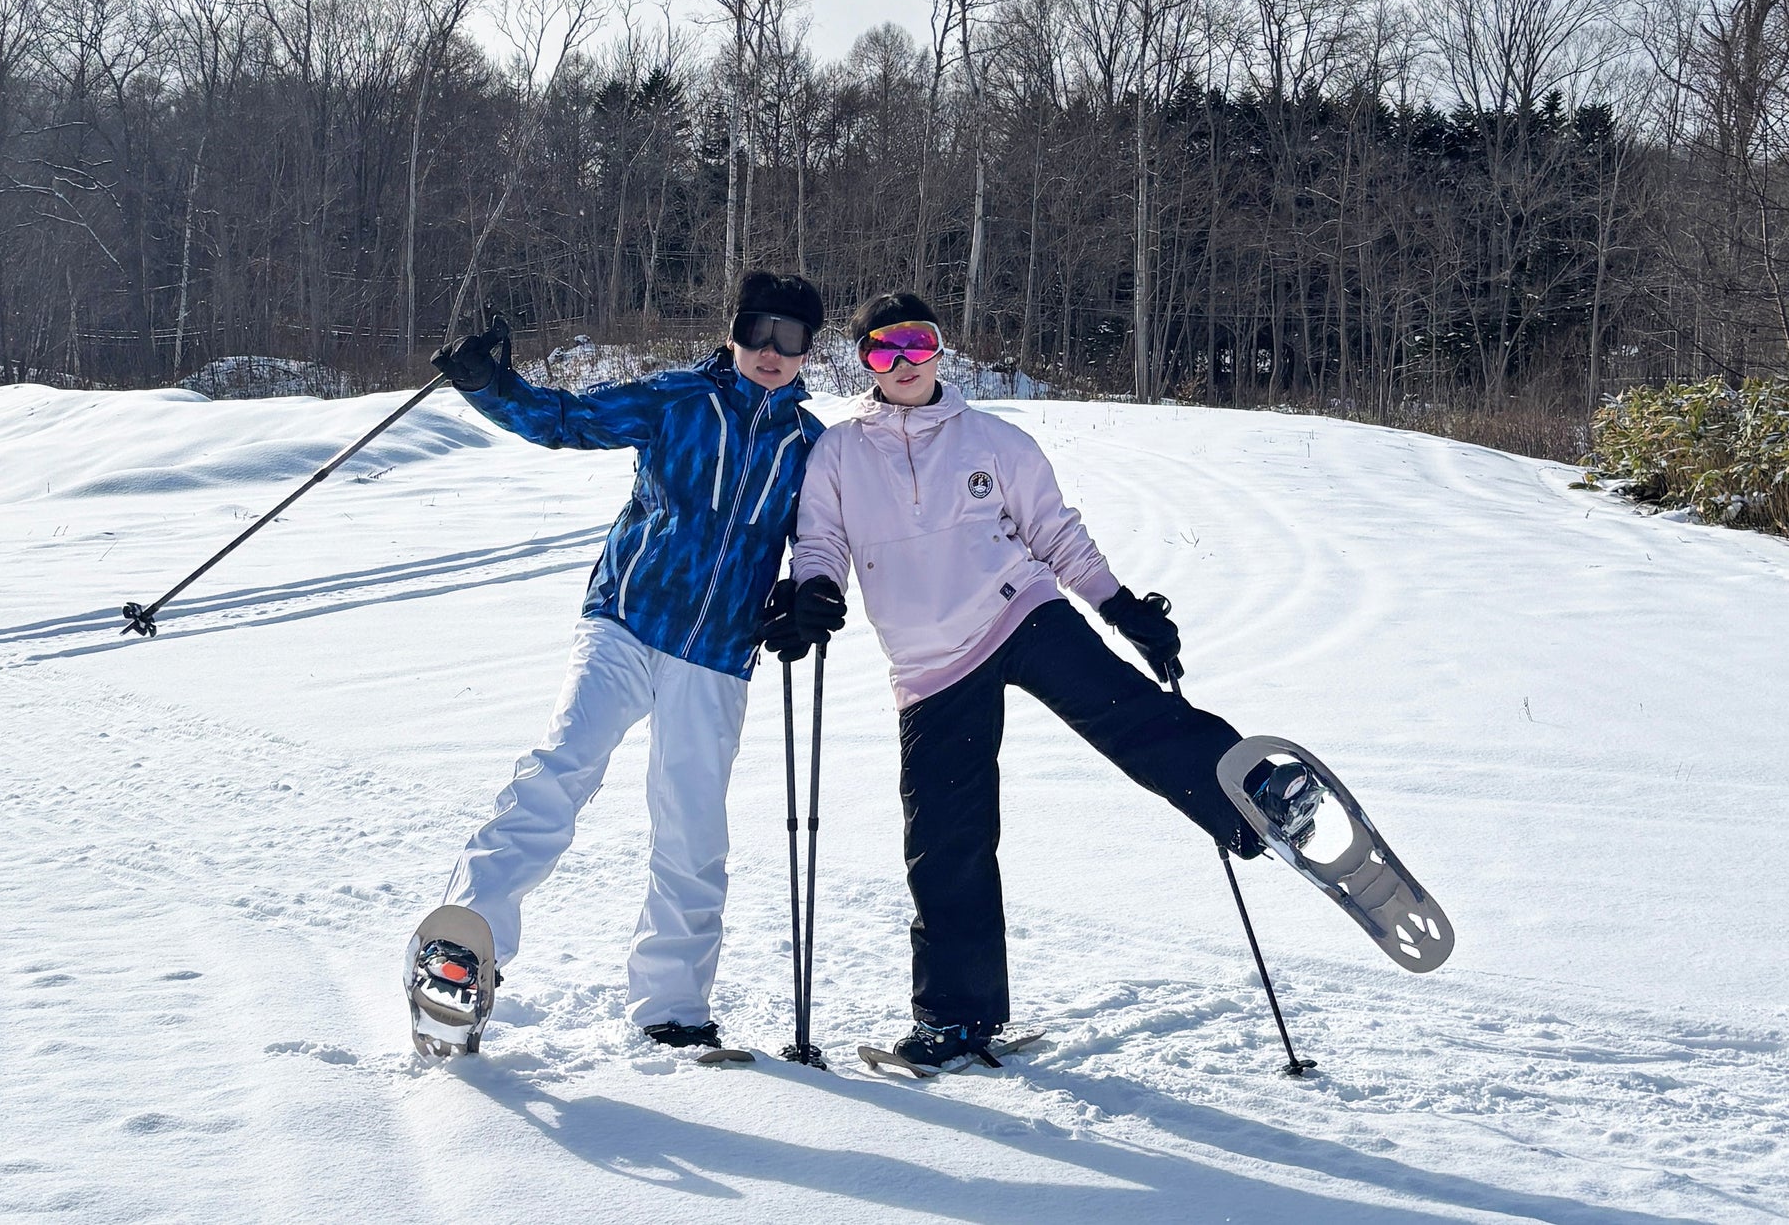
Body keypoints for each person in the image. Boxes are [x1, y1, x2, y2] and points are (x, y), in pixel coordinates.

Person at [766, 291, 1318, 1072]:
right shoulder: (841, 452)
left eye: (917, 345)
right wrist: (815, 590)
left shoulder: (992, 439)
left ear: (940, 350)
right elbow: (820, 540)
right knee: (944, 840)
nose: (904, 364)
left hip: (1019, 609)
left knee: (1127, 712)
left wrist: (1120, 606)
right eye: (884, 351)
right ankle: (957, 1021)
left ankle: (1256, 795)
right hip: (928, 665)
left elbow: (1056, 533)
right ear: (864, 362)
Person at [415, 271, 825, 1051]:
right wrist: (492, 385)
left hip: (717, 655)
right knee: (561, 769)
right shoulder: (677, 400)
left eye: (791, 338)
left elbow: (830, 537)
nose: (771, 352)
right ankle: (463, 945)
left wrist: (807, 595)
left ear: (809, 349)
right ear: (733, 331)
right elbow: (566, 420)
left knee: (693, 829)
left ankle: (672, 1006)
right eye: (758, 331)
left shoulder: (811, 446)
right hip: (627, 624)